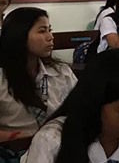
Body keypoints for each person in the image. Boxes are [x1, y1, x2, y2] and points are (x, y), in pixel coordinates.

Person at [0, 8, 78, 137]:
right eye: (42, 31)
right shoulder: (2, 78)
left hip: (58, 144)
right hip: (15, 150)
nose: (50, 37)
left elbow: (81, 108)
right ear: (19, 35)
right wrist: (13, 137)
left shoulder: (61, 72)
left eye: (50, 30)